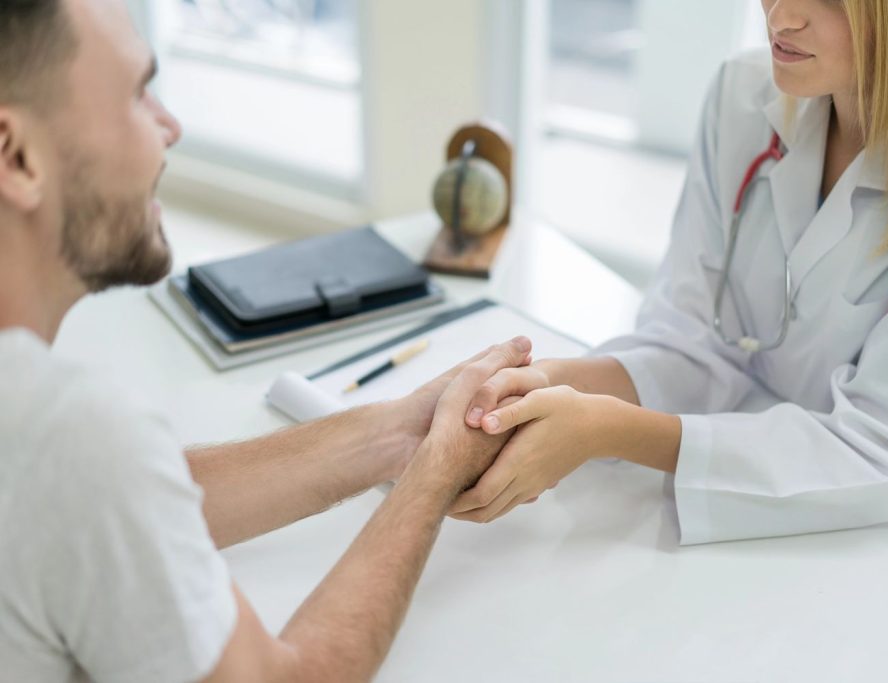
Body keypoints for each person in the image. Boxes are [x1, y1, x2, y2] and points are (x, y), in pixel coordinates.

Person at [0, 0, 532, 680]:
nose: (170, 125)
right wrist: (436, 472)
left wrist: (395, 433)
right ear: (17, 156)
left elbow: (126, 498)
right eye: (137, 94)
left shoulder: (63, 453)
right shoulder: (72, 437)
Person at [453, 0, 888, 570]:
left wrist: (605, 429)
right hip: (786, 522)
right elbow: (693, 335)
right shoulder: (744, 95)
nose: (781, 15)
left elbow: (880, 450)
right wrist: (555, 384)